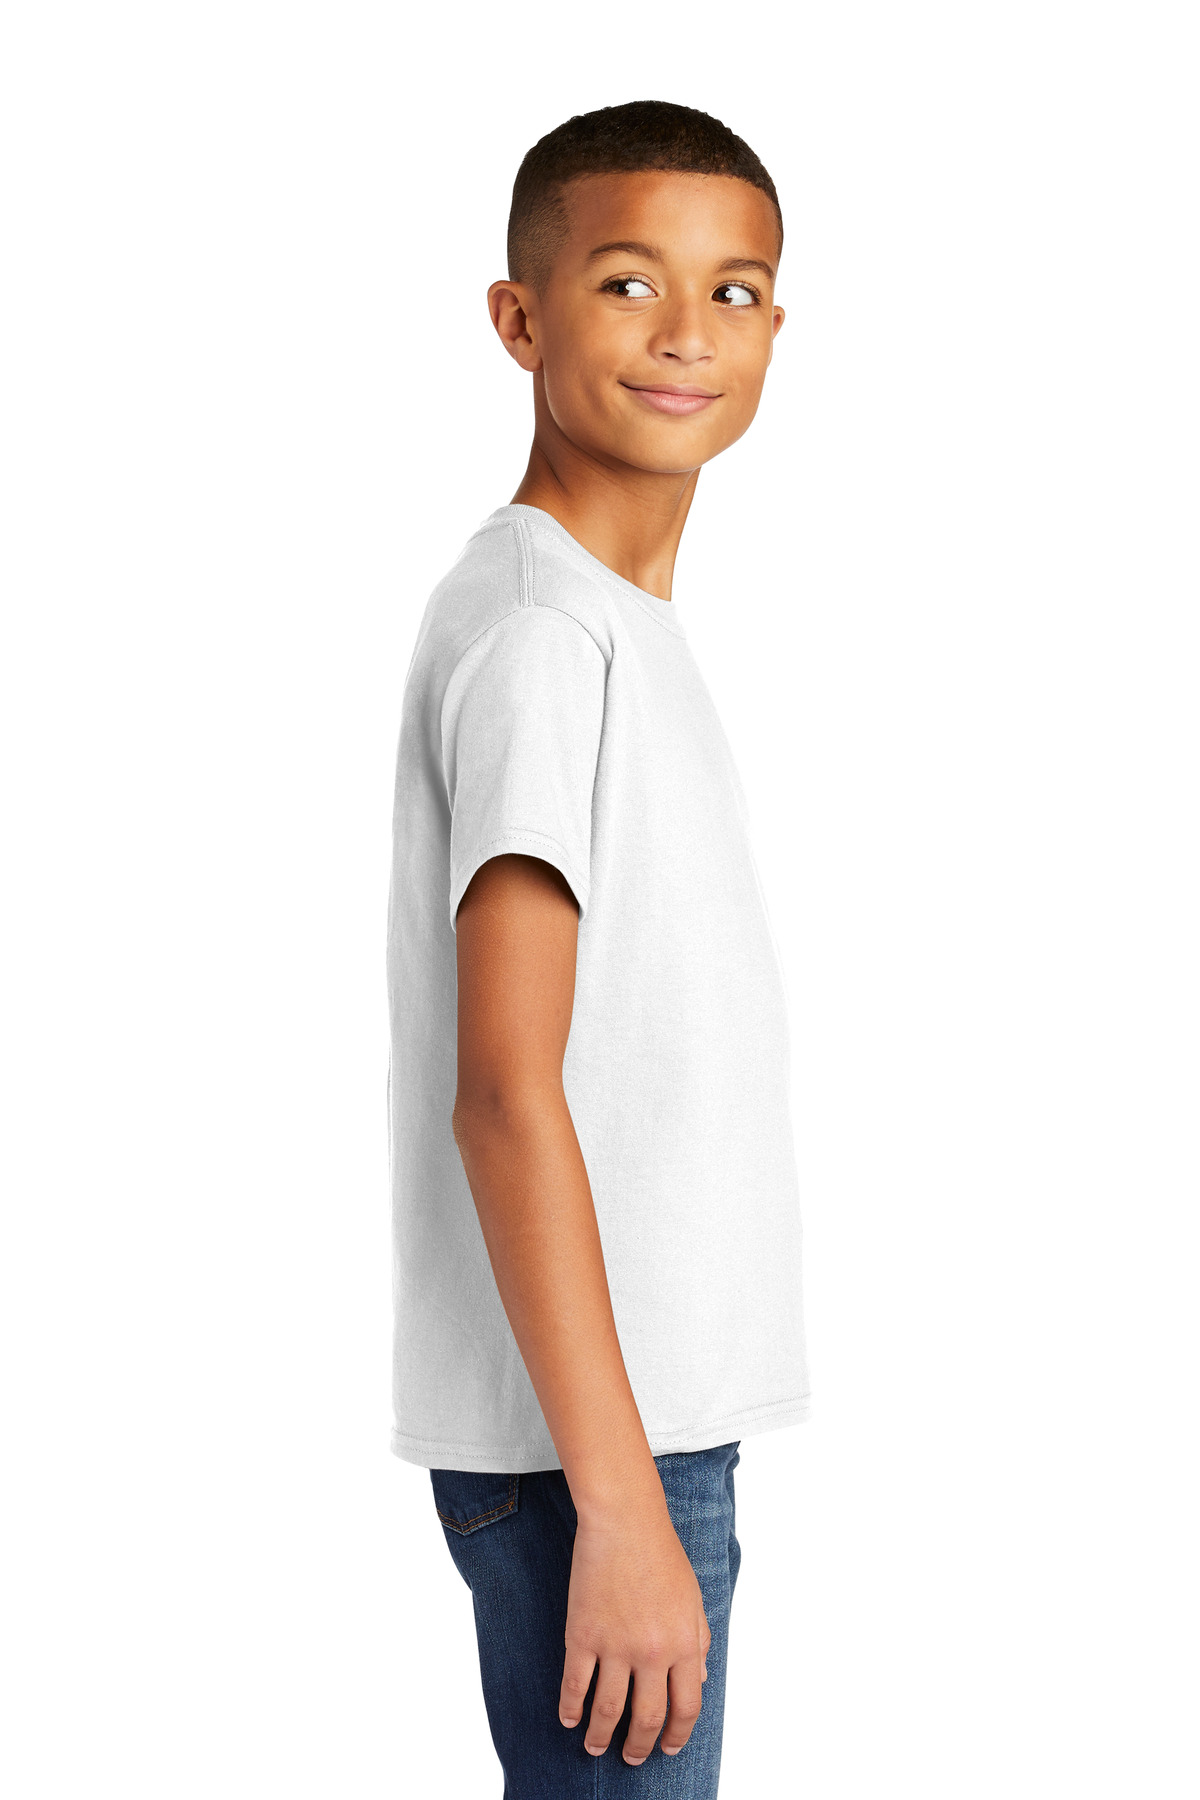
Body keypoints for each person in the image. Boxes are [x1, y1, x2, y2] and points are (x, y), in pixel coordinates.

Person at [387, 99, 811, 1796]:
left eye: (733, 290)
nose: (687, 332)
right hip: (598, 1456)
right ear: (521, 318)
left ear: (777, 325)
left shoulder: (607, 622)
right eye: (631, 282)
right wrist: (623, 1507)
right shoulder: (545, 635)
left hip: (630, 1435)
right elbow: (506, 1090)